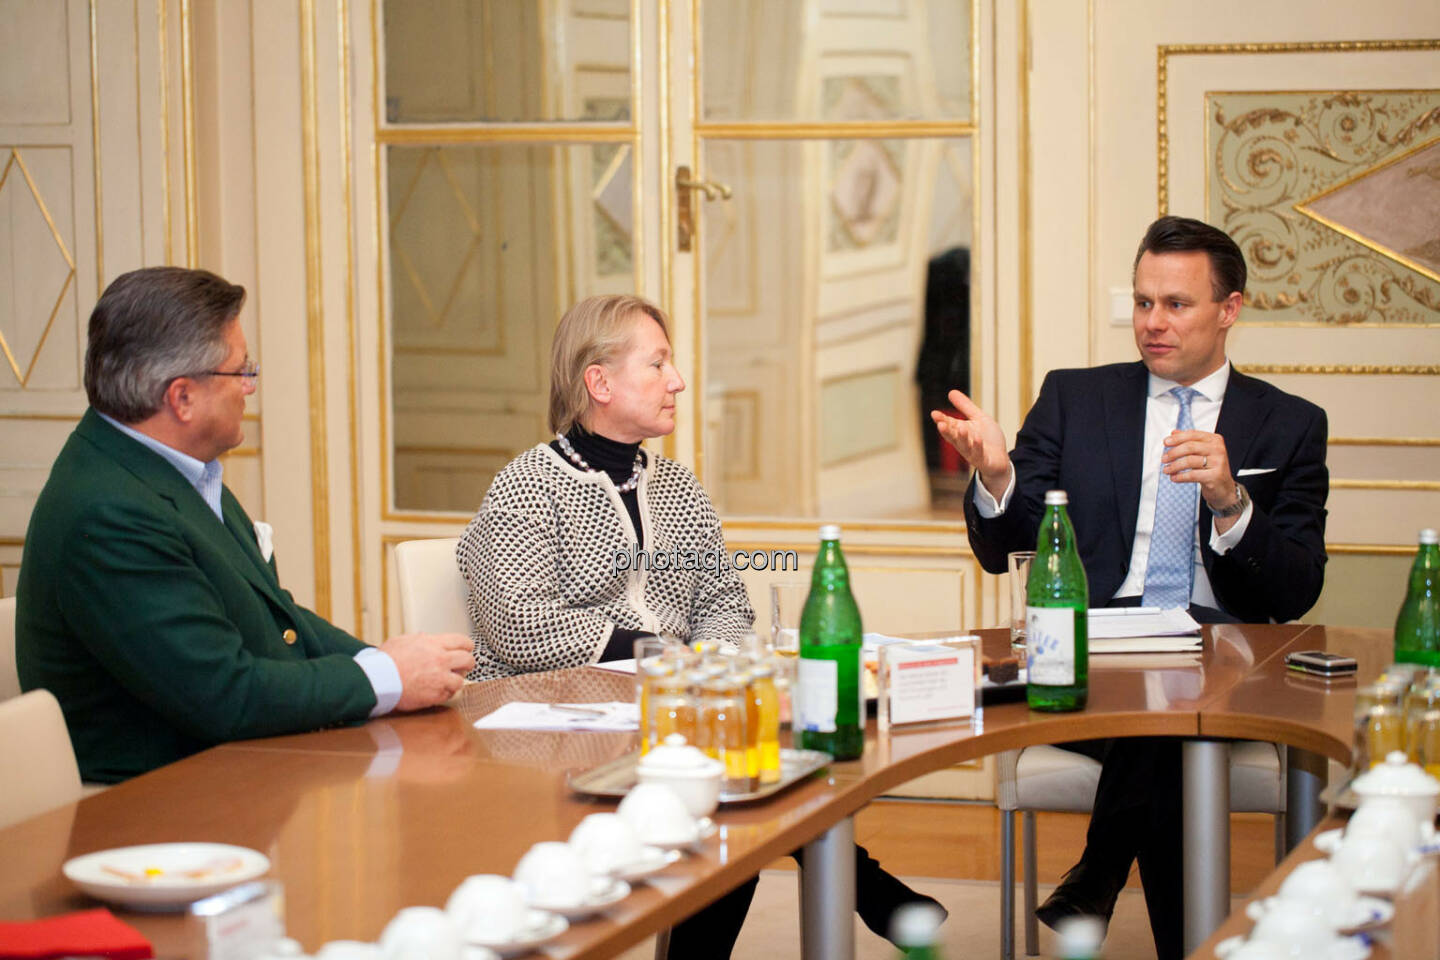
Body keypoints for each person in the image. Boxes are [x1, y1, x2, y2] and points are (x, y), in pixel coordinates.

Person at [459, 294, 943, 958]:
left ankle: (852, 889)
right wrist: (667, 657)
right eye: (657, 363)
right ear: (598, 382)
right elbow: (519, 624)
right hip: (551, 729)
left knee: (738, 774)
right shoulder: (526, 487)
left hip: (668, 717)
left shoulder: (679, 489)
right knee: (734, 777)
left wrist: (707, 668)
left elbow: (723, 601)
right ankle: (870, 887)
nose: (677, 381)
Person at [932, 216, 1328, 958]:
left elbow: (1297, 589)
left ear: (1229, 309)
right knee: (1168, 729)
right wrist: (994, 473)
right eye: (1144, 302)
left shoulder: (1291, 424)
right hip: (1096, 660)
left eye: (1176, 304)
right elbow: (1010, 540)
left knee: (1172, 715)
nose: (1153, 323)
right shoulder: (1077, 399)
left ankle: (1096, 876)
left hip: (1227, 666)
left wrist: (1229, 503)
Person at [16, 267, 475, 784]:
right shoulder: (107, 514)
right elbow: (221, 694)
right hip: (154, 814)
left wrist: (392, 666)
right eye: (241, 372)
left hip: (234, 774)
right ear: (182, 397)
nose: (250, 388)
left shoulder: (178, 468)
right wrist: (383, 678)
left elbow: (275, 617)